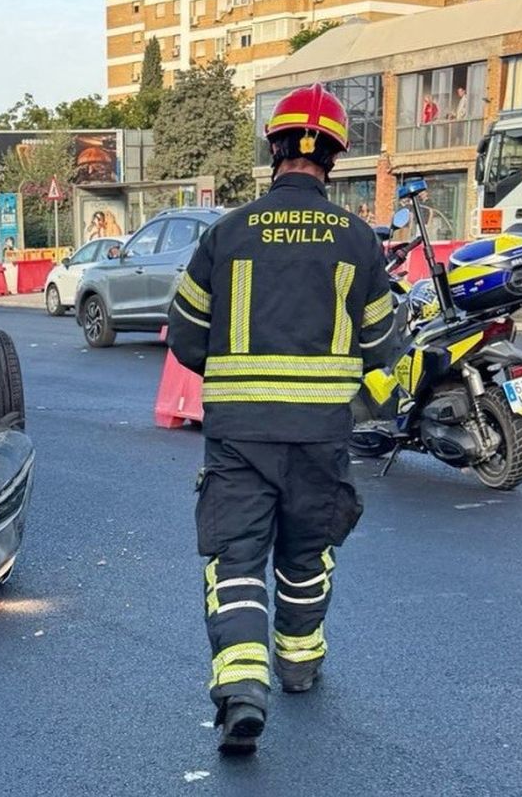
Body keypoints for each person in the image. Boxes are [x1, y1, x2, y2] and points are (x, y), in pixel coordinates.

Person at [166, 84, 398, 755]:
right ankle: (298, 665)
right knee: (305, 554)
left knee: (237, 561)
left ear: (274, 148)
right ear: (333, 157)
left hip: (239, 436)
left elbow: (185, 334)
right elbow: (383, 345)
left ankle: (242, 691)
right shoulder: (358, 241)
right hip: (321, 437)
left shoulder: (227, 233)